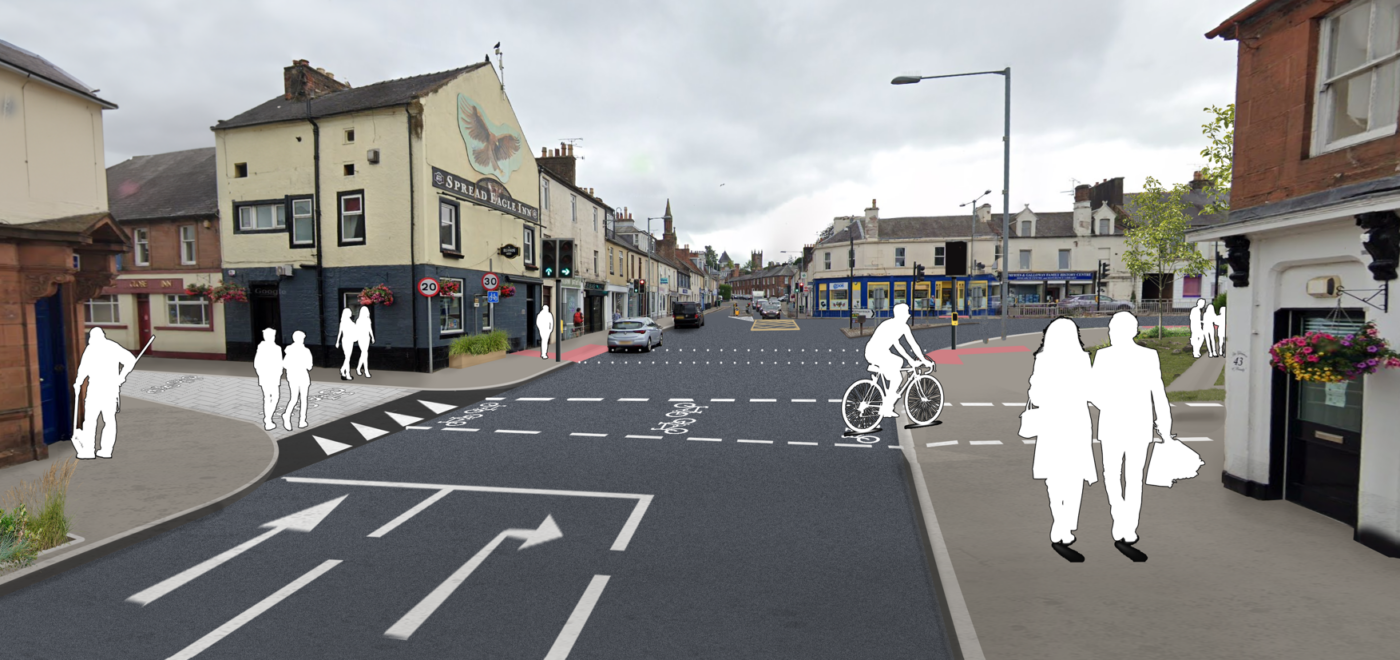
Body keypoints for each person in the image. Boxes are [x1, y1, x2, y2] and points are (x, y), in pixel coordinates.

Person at [1091, 311, 1173, 562]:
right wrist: (1164, 422)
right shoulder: (1148, 356)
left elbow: (1092, 392)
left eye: (1112, 329)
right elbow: (1158, 392)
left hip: (1114, 424)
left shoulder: (1104, 356)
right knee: (1134, 477)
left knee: (1112, 474)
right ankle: (1129, 527)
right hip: (1139, 425)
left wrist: (1108, 406)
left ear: (1116, 331)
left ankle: (1120, 520)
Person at [1026, 318, 1097, 563]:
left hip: (1051, 422)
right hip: (1077, 421)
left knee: (1054, 476)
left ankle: (1059, 525)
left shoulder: (1043, 359)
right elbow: (1090, 391)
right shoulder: (1082, 359)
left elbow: (1035, 396)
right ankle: (1067, 525)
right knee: (1074, 475)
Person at [71, 327, 139, 459]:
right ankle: (99, 450)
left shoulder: (98, 348)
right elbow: (84, 368)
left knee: (97, 420)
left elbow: (130, 360)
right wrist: (78, 382)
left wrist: (121, 376)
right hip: (103, 389)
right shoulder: (105, 347)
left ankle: (95, 450)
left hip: (103, 389)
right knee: (103, 420)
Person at [863, 303, 934, 418]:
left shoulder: (893, 324)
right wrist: (923, 360)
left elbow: (899, 345)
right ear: (901, 314)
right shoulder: (899, 326)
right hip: (877, 353)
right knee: (897, 378)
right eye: (907, 313)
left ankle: (889, 393)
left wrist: (911, 360)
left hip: (875, 352)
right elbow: (912, 345)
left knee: (898, 361)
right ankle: (886, 408)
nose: (909, 315)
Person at [281, 331, 313, 431]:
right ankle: (295, 418)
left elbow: (285, 364)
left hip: (296, 376)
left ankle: (299, 419)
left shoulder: (290, 351)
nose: (302, 340)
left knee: (298, 398)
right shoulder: (304, 351)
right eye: (302, 338)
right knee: (299, 399)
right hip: (299, 376)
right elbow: (309, 366)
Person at [253, 327, 284, 431]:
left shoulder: (277, 348)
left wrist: (279, 373)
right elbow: (257, 363)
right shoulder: (261, 347)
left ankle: (268, 418)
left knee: (275, 397)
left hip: (274, 377)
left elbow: (280, 363)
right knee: (268, 397)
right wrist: (261, 374)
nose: (271, 337)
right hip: (266, 376)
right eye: (269, 336)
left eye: (272, 336)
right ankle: (268, 420)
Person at [335, 308, 360, 381]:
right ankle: (347, 374)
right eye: (349, 312)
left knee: (347, 357)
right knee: (347, 357)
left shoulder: (348, 322)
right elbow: (340, 333)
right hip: (347, 340)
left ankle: (343, 370)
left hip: (348, 340)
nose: (351, 313)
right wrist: (337, 342)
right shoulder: (346, 322)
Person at [354, 307, 374, 378]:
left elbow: (369, 329)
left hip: (367, 337)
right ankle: (366, 371)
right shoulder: (358, 320)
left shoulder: (368, 320)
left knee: (364, 353)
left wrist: (372, 337)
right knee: (365, 353)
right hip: (361, 338)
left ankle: (358, 368)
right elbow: (356, 330)